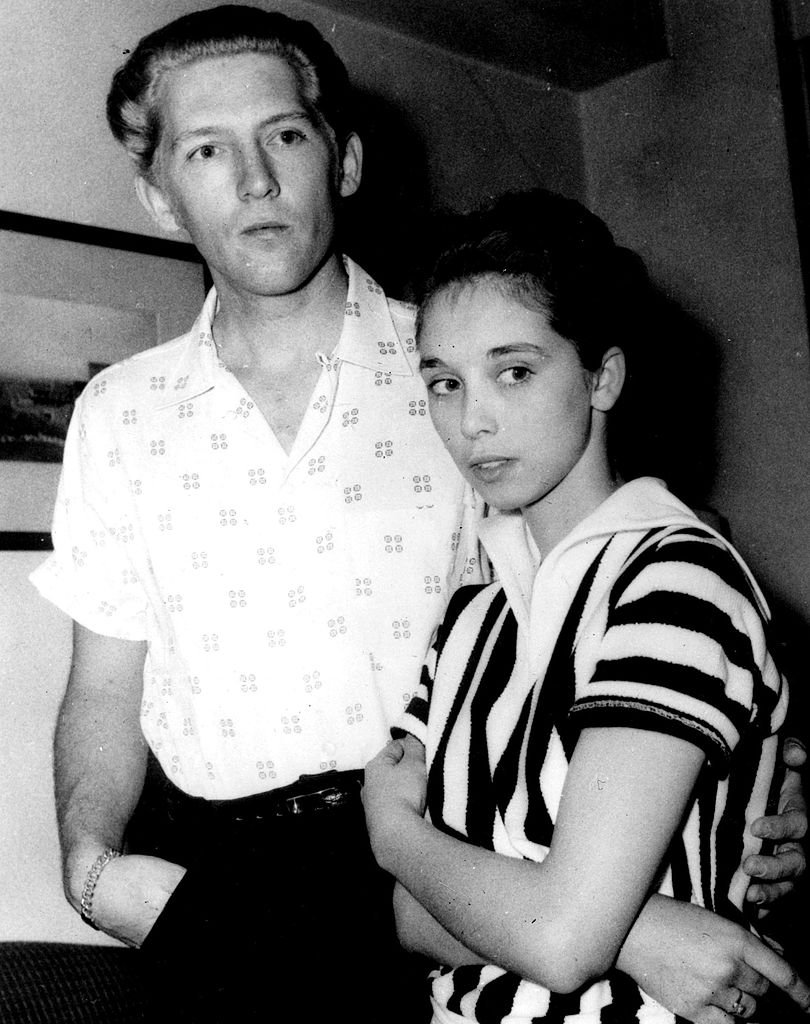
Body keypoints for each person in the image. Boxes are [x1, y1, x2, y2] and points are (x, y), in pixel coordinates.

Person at [30, 8, 803, 1022]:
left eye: (287, 136)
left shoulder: (466, 364)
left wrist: (755, 781)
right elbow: (101, 687)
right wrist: (88, 861)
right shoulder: (116, 411)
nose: (256, 179)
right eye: (207, 150)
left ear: (343, 161)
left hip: (440, 858)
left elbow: (625, 616)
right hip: (208, 872)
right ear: (161, 196)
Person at [363, 188, 810, 1023]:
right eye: (444, 383)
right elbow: (410, 917)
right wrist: (619, 927)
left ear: (602, 376)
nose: (473, 421)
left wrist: (395, 834)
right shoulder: (470, 618)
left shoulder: (677, 580)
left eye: (515, 372)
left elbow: (559, 940)